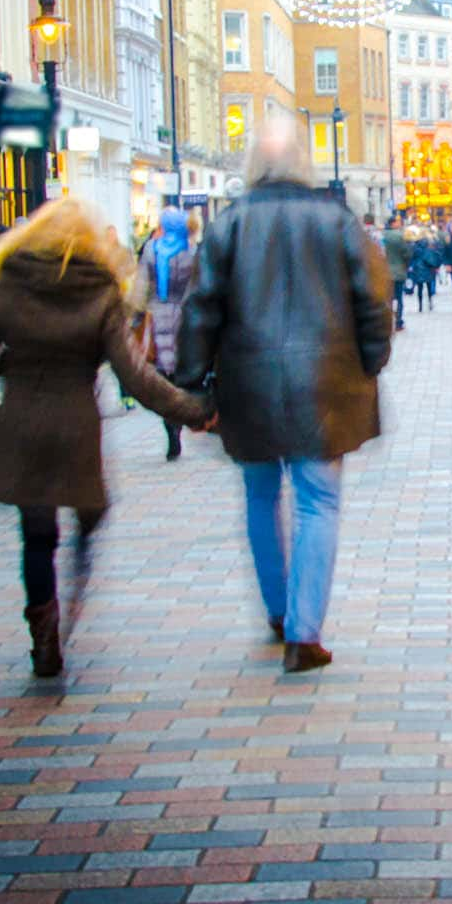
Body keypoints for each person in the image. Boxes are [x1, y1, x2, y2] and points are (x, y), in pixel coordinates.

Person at [175, 120, 393, 674]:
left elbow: (201, 308)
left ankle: (278, 610)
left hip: (248, 384)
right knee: (318, 500)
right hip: (326, 382)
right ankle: (304, 633)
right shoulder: (337, 221)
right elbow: (374, 299)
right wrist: (370, 361)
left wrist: (193, 382)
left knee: (259, 495)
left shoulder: (229, 225)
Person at [0, 198, 211, 678]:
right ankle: (78, 566)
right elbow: (136, 377)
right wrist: (193, 410)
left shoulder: (11, 283)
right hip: (76, 426)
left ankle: (44, 633)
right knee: (90, 510)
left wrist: (7, 358)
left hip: (20, 425)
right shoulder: (99, 292)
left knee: (36, 537)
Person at [136, 207, 198, 460]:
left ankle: (170, 425)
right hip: (184, 319)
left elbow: (141, 286)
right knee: (180, 377)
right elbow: (199, 286)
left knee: (162, 377)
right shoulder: (191, 250)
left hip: (158, 316)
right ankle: (178, 421)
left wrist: (137, 315)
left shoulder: (152, 249)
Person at [381, 215, 411, 330]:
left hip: (384, 273)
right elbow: (407, 254)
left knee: (387, 298)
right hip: (398, 272)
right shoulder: (399, 236)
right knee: (399, 298)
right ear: (393, 223)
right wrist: (406, 266)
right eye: (397, 222)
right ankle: (398, 321)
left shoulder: (381, 236)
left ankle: (387, 321)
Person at [410, 229, 443, 313]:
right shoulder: (429, 246)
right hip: (428, 268)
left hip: (418, 268)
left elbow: (412, 257)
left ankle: (420, 305)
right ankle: (430, 302)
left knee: (420, 288)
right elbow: (436, 255)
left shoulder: (415, 246)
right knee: (429, 286)